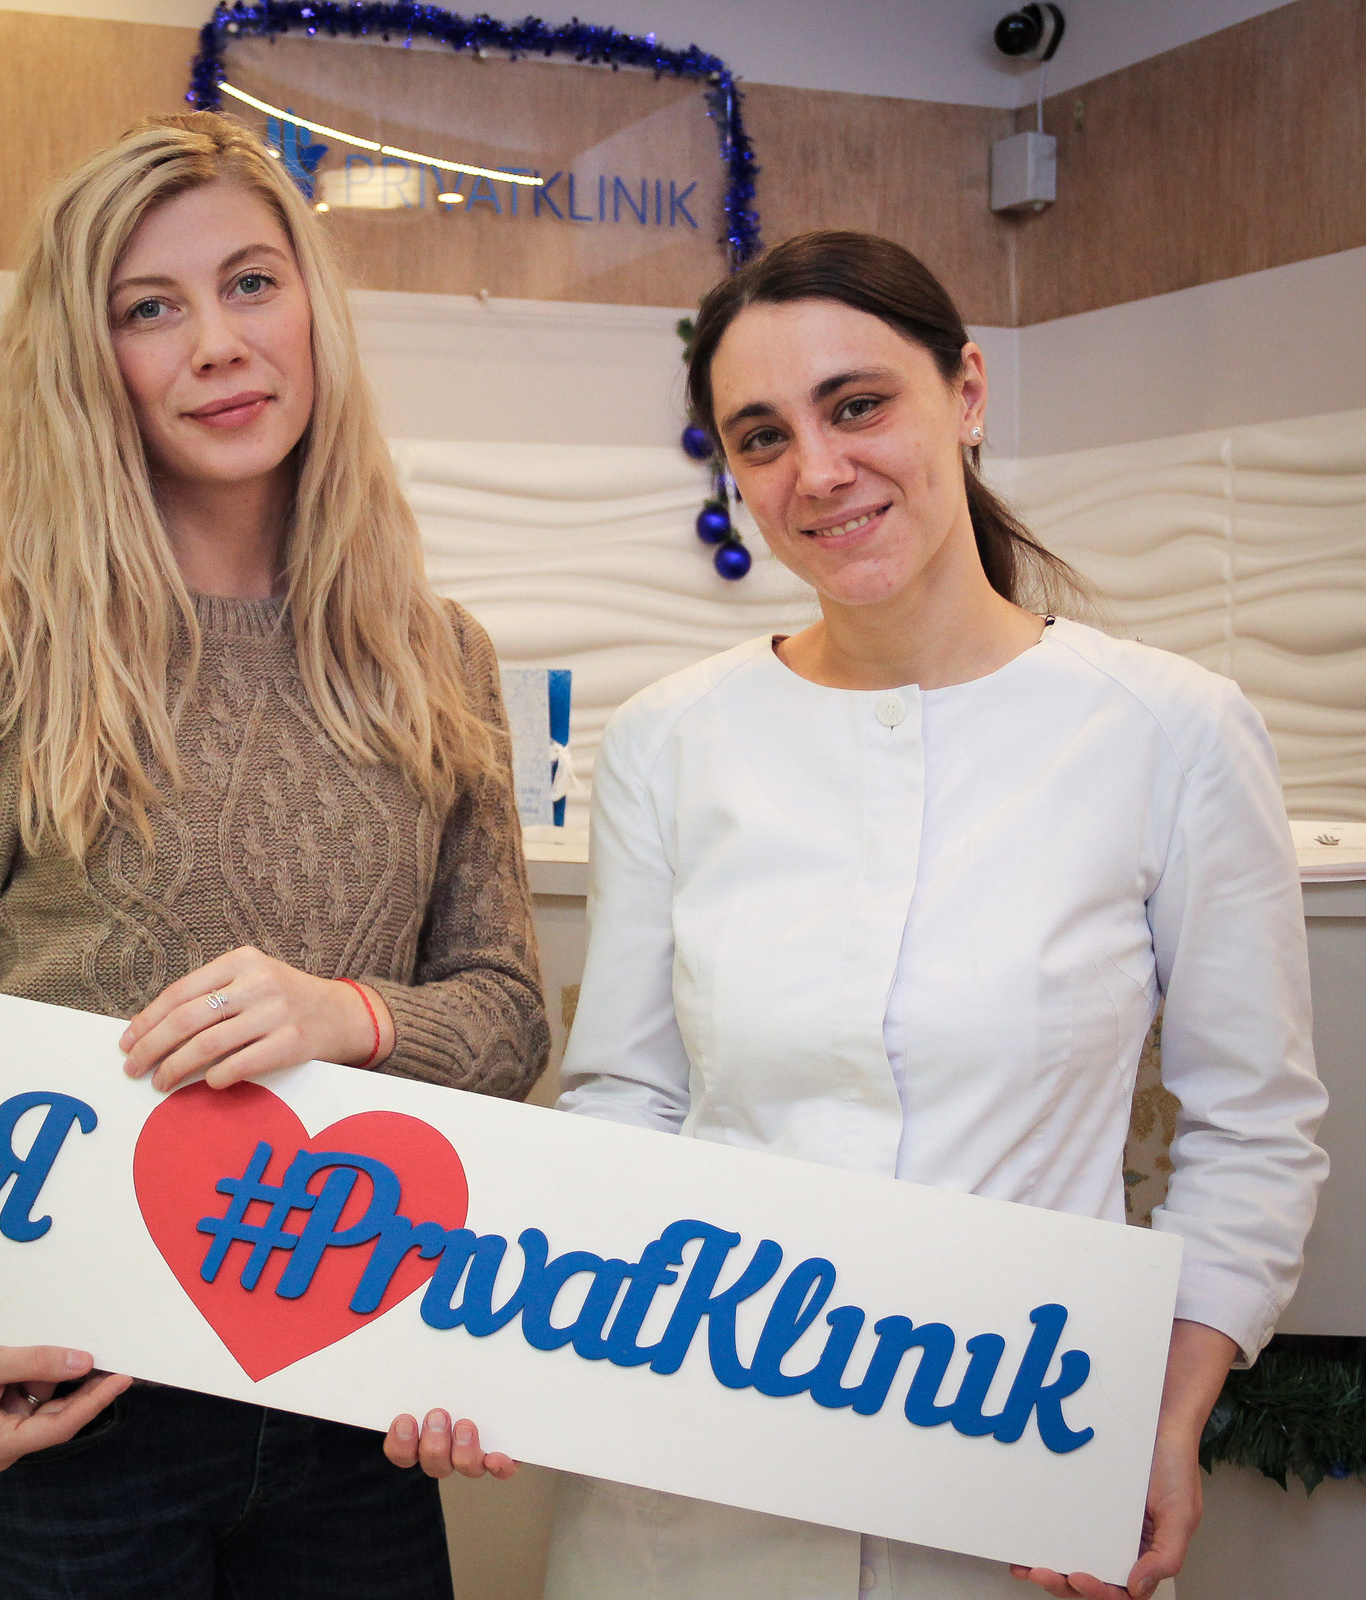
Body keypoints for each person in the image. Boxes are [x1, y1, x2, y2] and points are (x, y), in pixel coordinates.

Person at [0, 111, 548, 1599]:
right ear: (91, 361)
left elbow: (511, 1015)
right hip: (75, 1399)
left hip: (354, 1393)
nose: (217, 344)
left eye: (252, 283)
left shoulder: (434, 656)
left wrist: (349, 1015)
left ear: (312, 310)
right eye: (151, 308)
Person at [537, 232, 1328, 1600]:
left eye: (858, 405)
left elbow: (1253, 1131)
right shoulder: (671, 737)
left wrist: (1163, 1415)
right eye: (763, 436)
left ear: (965, 393)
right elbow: (626, 1100)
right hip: (694, 1488)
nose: (817, 470)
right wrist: (524, 1353)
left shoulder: (1171, 731)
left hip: (1018, 1490)